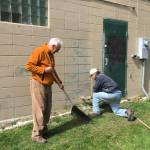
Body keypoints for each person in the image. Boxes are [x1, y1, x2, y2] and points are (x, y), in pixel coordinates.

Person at [25, 38, 64, 143]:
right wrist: (43, 70)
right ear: (54, 46)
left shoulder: (51, 55)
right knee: (40, 108)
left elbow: (52, 70)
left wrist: (59, 82)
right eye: (58, 49)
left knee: (47, 108)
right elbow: (28, 66)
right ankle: (36, 135)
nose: (58, 51)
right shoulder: (40, 51)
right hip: (38, 83)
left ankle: (44, 130)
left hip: (48, 84)